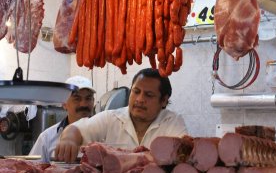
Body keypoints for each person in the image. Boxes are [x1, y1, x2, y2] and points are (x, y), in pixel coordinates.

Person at [55, 68, 188, 163]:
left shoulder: (173, 122)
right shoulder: (111, 118)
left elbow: (181, 155)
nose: (139, 99)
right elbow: (77, 128)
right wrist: (69, 139)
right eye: (136, 91)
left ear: (164, 100)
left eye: (149, 95)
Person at [29, 76, 95, 162]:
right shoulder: (47, 138)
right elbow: (32, 169)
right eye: (77, 99)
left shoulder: (105, 133)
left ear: (93, 101)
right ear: (64, 103)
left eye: (88, 98)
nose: (84, 104)